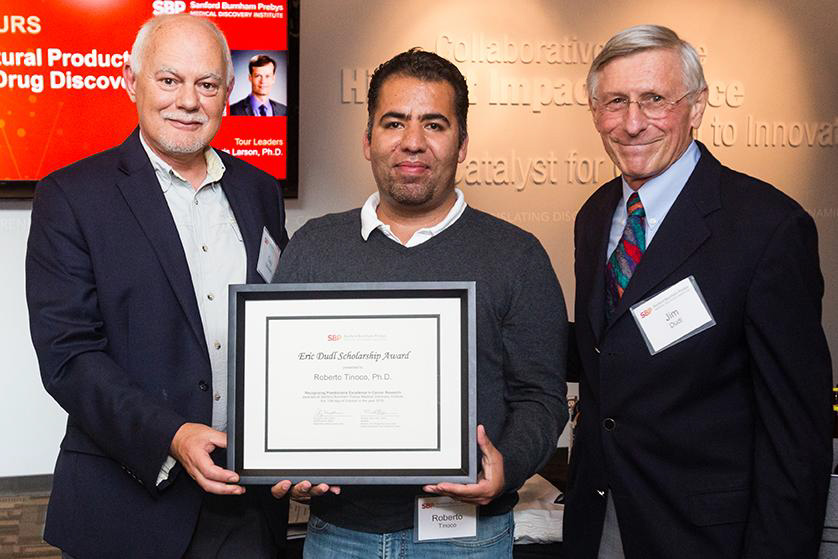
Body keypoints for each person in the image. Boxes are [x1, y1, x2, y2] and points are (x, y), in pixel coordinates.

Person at [273, 48, 568, 557]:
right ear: (368, 141)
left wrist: (507, 466)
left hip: (466, 535)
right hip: (338, 537)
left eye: (434, 124)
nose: (412, 142)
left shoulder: (516, 255)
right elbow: (281, 388)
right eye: (394, 123)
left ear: (463, 142)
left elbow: (541, 394)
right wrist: (284, 464)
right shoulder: (313, 247)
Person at [26, 14, 292, 559]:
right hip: (127, 501)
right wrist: (171, 435)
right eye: (169, 80)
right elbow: (69, 357)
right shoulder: (72, 197)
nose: (188, 101)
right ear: (132, 81)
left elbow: (279, 329)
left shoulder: (260, 192)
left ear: (228, 92)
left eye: (207, 84)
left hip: (245, 501)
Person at [564, 24, 832, 559]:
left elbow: (797, 434)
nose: (633, 123)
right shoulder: (595, 216)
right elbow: (612, 353)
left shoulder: (767, 227)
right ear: (595, 112)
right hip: (600, 521)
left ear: (697, 105)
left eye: (654, 100)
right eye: (615, 102)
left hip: (708, 537)